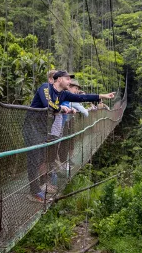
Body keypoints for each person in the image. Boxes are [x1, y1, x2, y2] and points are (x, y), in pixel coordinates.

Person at [24, 70, 115, 202]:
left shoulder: (63, 94)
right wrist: (62, 108)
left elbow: (81, 98)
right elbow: (48, 104)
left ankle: (38, 187)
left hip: (42, 128)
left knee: (40, 157)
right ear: (59, 79)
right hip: (31, 127)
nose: (70, 82)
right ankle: (34, 192)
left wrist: (103, 96)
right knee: (34, 158)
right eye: (67, 79)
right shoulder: (46, 87)